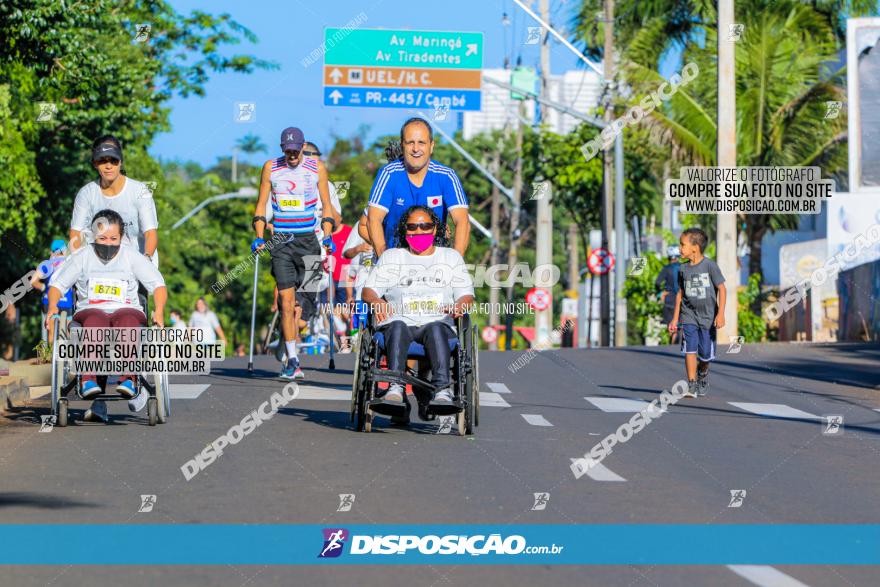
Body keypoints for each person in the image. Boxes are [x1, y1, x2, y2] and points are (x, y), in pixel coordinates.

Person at [45, 210, 167, 423]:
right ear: (93, 236)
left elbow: (157, 284)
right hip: (90, 309)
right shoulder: (82, 257)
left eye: (113, 238)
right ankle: (88, 379)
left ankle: (129, 379)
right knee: (95, 321)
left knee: (129, 321)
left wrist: (159, 309)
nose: (108, 243)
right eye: (102, 238)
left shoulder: (131, 256)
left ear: (121, 238)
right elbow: (57, 284)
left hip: (126, 308)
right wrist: (52, 307)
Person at [362, 205, 475, 408]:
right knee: (397, 325)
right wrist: (377, 301)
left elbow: (466, 295)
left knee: (435, 327)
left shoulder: (450, 257)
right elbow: (368, 291)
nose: (419, 231)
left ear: (434, 229)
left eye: (425, 226)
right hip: (398, 322)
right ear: (404, 230)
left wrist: (460, 305)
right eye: (412, 227)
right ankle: (395, 387)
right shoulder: (392, 257)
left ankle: (442, 390)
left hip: (437, 323)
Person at [251, 127, 340, 380]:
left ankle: (288, 336)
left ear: (302, 147)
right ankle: (292, 359)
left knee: (306, 308)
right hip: (281, 242)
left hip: (310, 243)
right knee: (287, 303)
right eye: (287, 150)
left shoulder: (317, 168)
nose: (291, 154)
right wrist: (259, 234)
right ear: (282, 148)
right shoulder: (271, 167)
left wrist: (328, 235)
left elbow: (327, 206)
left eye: (295, 150)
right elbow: (261, 203)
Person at [366, 118, 471, 259]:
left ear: (431, 146)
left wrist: (455, 264)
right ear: (403, 145)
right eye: (410, 143)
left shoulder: (446, 176)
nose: (416, 149)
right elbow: (373, 220)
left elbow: (462, 221)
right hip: (395, 259)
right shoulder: (389, 174)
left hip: (434, 262)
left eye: (421, 142)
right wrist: (385, 261)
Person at [70, 136, 159, 262]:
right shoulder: (86, 194)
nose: (108, 166)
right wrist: (77, 263)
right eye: (102, 161)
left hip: (138, 263)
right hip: (100, 267)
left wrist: (146, 260)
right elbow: (76, 233)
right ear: (95, 163)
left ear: (120, 161)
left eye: (113, 160)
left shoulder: (140, 191)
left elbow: (150, 234)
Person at [668, 228, 727, 398]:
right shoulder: (682, 269)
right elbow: (680, 294)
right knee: (690, 349)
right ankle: (691, 383)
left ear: (695, 247)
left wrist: (721, 314)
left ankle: (703, 373)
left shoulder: (710, 266)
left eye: (682, 245)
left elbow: (722, 289)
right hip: (689, 316)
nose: (680, 249)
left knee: (706, 355)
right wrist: (675, 319)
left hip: (708, 318)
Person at [31, 239, 75, 342]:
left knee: (51, 332)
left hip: (49, 301)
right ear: (65, 250)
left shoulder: (47, 264)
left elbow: (33, 281)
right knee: (68, 332)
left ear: (51, 251)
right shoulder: (70, 262)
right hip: (66, 301)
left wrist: (43, 288)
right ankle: (67, 355)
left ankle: (51, 355)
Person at [655, 246, 682, 344]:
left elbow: (657, 283)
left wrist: (660, 292)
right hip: (683, 299)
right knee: (681, 323)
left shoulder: (666, 269)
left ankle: (673, 339)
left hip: (670, 299)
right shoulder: (683, 267)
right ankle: (679, 339)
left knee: (671, 324)